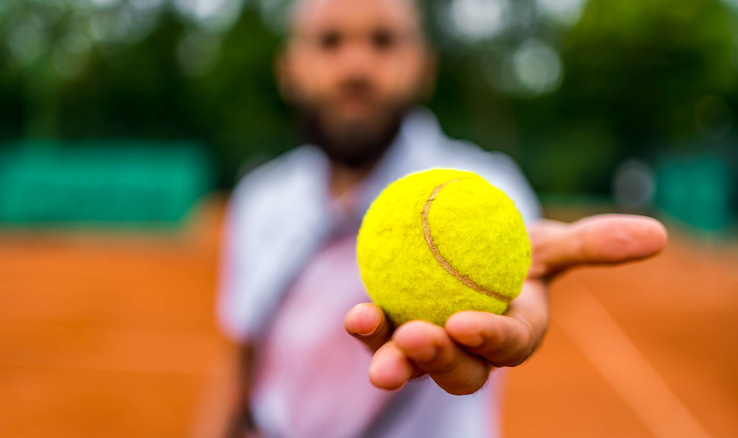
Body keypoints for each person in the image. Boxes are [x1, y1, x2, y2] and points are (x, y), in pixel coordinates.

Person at [210, 0, 668, 436]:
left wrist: (520, 298)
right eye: (330, 41)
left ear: (423, 66)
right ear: (288, 69)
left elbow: (521, 288)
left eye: (383, 41)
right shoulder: (259, 200)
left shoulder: (489, 187)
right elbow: (243, 364)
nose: (356, 66)